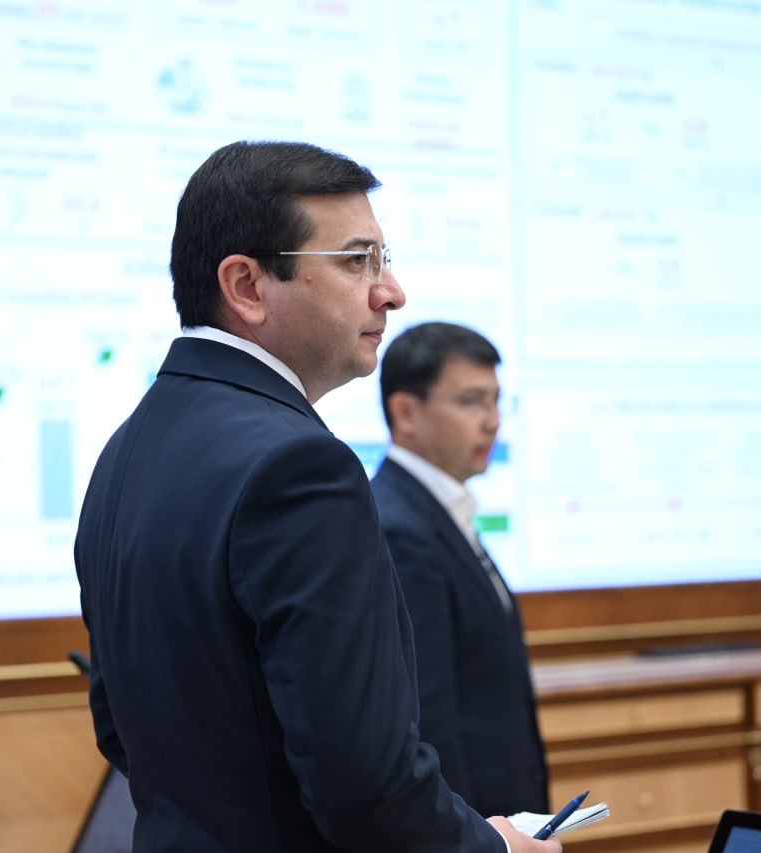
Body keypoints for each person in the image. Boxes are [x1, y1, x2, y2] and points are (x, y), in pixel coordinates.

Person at [75, 141, 560, 853]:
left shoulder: (123, 451)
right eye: (356, 261)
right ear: (246, 285)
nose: (391, 291)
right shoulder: (300, 465)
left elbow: (120, 728)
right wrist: (495, 848)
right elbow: (365, 786)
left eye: (383, 259)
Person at [371, 322, 550, 819]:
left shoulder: (440, 509)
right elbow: (430, 718)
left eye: (496, 402)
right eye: (471, 402)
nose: (492, 422)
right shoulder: (400, 526)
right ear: (406, 412)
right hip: (473, 825)